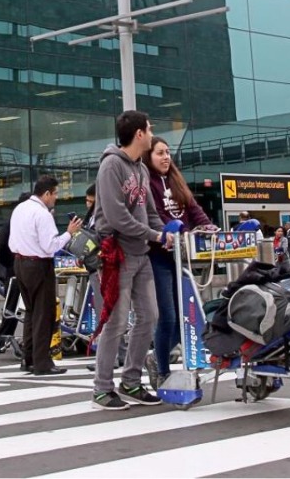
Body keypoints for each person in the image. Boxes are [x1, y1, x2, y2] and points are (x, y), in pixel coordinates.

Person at [91, 110, 169, 411]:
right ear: (138, 134)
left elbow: (148, 211)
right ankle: (102, 387)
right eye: (149, 129)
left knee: (150, 316)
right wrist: (154, 234)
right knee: (117, 321)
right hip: (117, 255)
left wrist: (163, 232)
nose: (151, 134)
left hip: (141, 254)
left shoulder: (140, 169)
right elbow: (116, 216)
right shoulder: (111, 166)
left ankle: (131, 381)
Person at [143, 136, 216, 384]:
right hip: (159, 257)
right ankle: (162, 369)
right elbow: (157, 216)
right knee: (169, 316)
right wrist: (173, 232)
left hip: (182, 256)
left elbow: (193, 208)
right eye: (159, 153)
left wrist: (206, 225)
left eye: (167, 152)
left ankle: (156, 357)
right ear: (149, 157)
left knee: (189, 315)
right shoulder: (147, 183)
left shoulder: (176, 180)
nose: (165, 157)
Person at [9, 177, 81, 376]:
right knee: (44, 314)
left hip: (20, 262)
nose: (56, 198)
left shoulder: (19, 209)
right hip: (39, 264)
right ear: (47, 193)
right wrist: (69, 233)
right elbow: (51, 246)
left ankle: (28, 358)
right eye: (55, 193)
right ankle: (42, 362)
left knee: (32, 312)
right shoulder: (42, 214)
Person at [0, 194, 29, 354]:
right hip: (16, 268)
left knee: (13, 305)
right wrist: (10, 264)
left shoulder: (16, 220)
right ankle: (3, 337)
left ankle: (2, 338)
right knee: (13, 305)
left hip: (16, 267)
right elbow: (2, 246)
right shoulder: (15, 222)